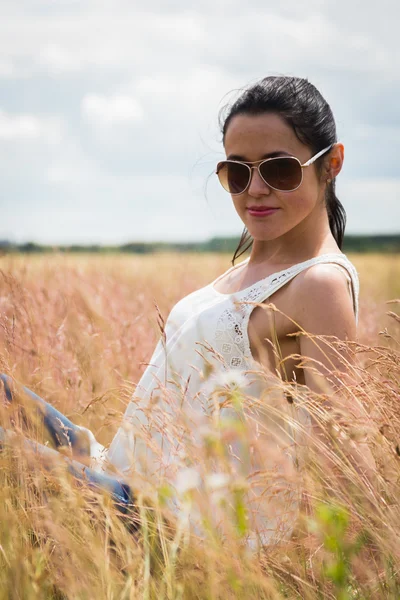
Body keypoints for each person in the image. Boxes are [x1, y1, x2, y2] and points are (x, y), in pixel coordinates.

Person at [0, 75, 373, 549]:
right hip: (116, 475)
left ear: (331, 163)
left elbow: (343, 445)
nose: (255, 189)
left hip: (174, 527)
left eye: (279, 170)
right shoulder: (252, 269)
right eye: (237, 172)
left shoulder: (318, 283)